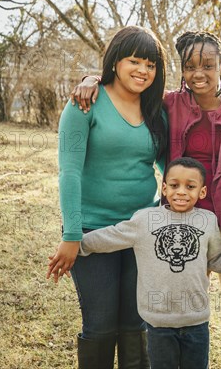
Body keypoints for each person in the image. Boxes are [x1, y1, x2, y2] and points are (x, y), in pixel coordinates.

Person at [71, 30, 221, 369]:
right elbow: (131, 89)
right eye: (190, 66)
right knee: (172, 303)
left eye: (208, 66)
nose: (199, 74)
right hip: (177, 219)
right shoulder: (171, 103)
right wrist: (93, 77)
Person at [46, 26, 168, 368]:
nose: (143, 70)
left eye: (151, 64)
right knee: (100, 325)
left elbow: (169, 167)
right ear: (115, 61)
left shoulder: (156, 110)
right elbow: (69, 171)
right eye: (134, 61)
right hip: (93, 230)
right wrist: (72, 236)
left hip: (141, 231)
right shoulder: (85, 104)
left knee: (135, 324)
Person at [71, 157, 221, 369]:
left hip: (196, 322)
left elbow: (217, 262)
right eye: (174, 185)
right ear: (164, 188)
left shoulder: (208, 221)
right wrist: (75, 246)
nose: (181, 192)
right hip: (158, 323)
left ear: (202, 192)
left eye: (190, 187)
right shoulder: (145, 220)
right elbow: (111, 236)